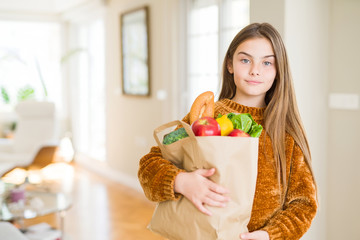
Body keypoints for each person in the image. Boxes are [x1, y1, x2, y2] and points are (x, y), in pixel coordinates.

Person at [138, 22, 318, 240]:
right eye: (245, 60)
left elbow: (304, 204)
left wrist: (269, 235)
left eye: (267, 63)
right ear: (230, 64)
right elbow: (149, 164)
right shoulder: (205, 119)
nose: (255, 70)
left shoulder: (287, 131)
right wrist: (181, 182)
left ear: (279, 70)